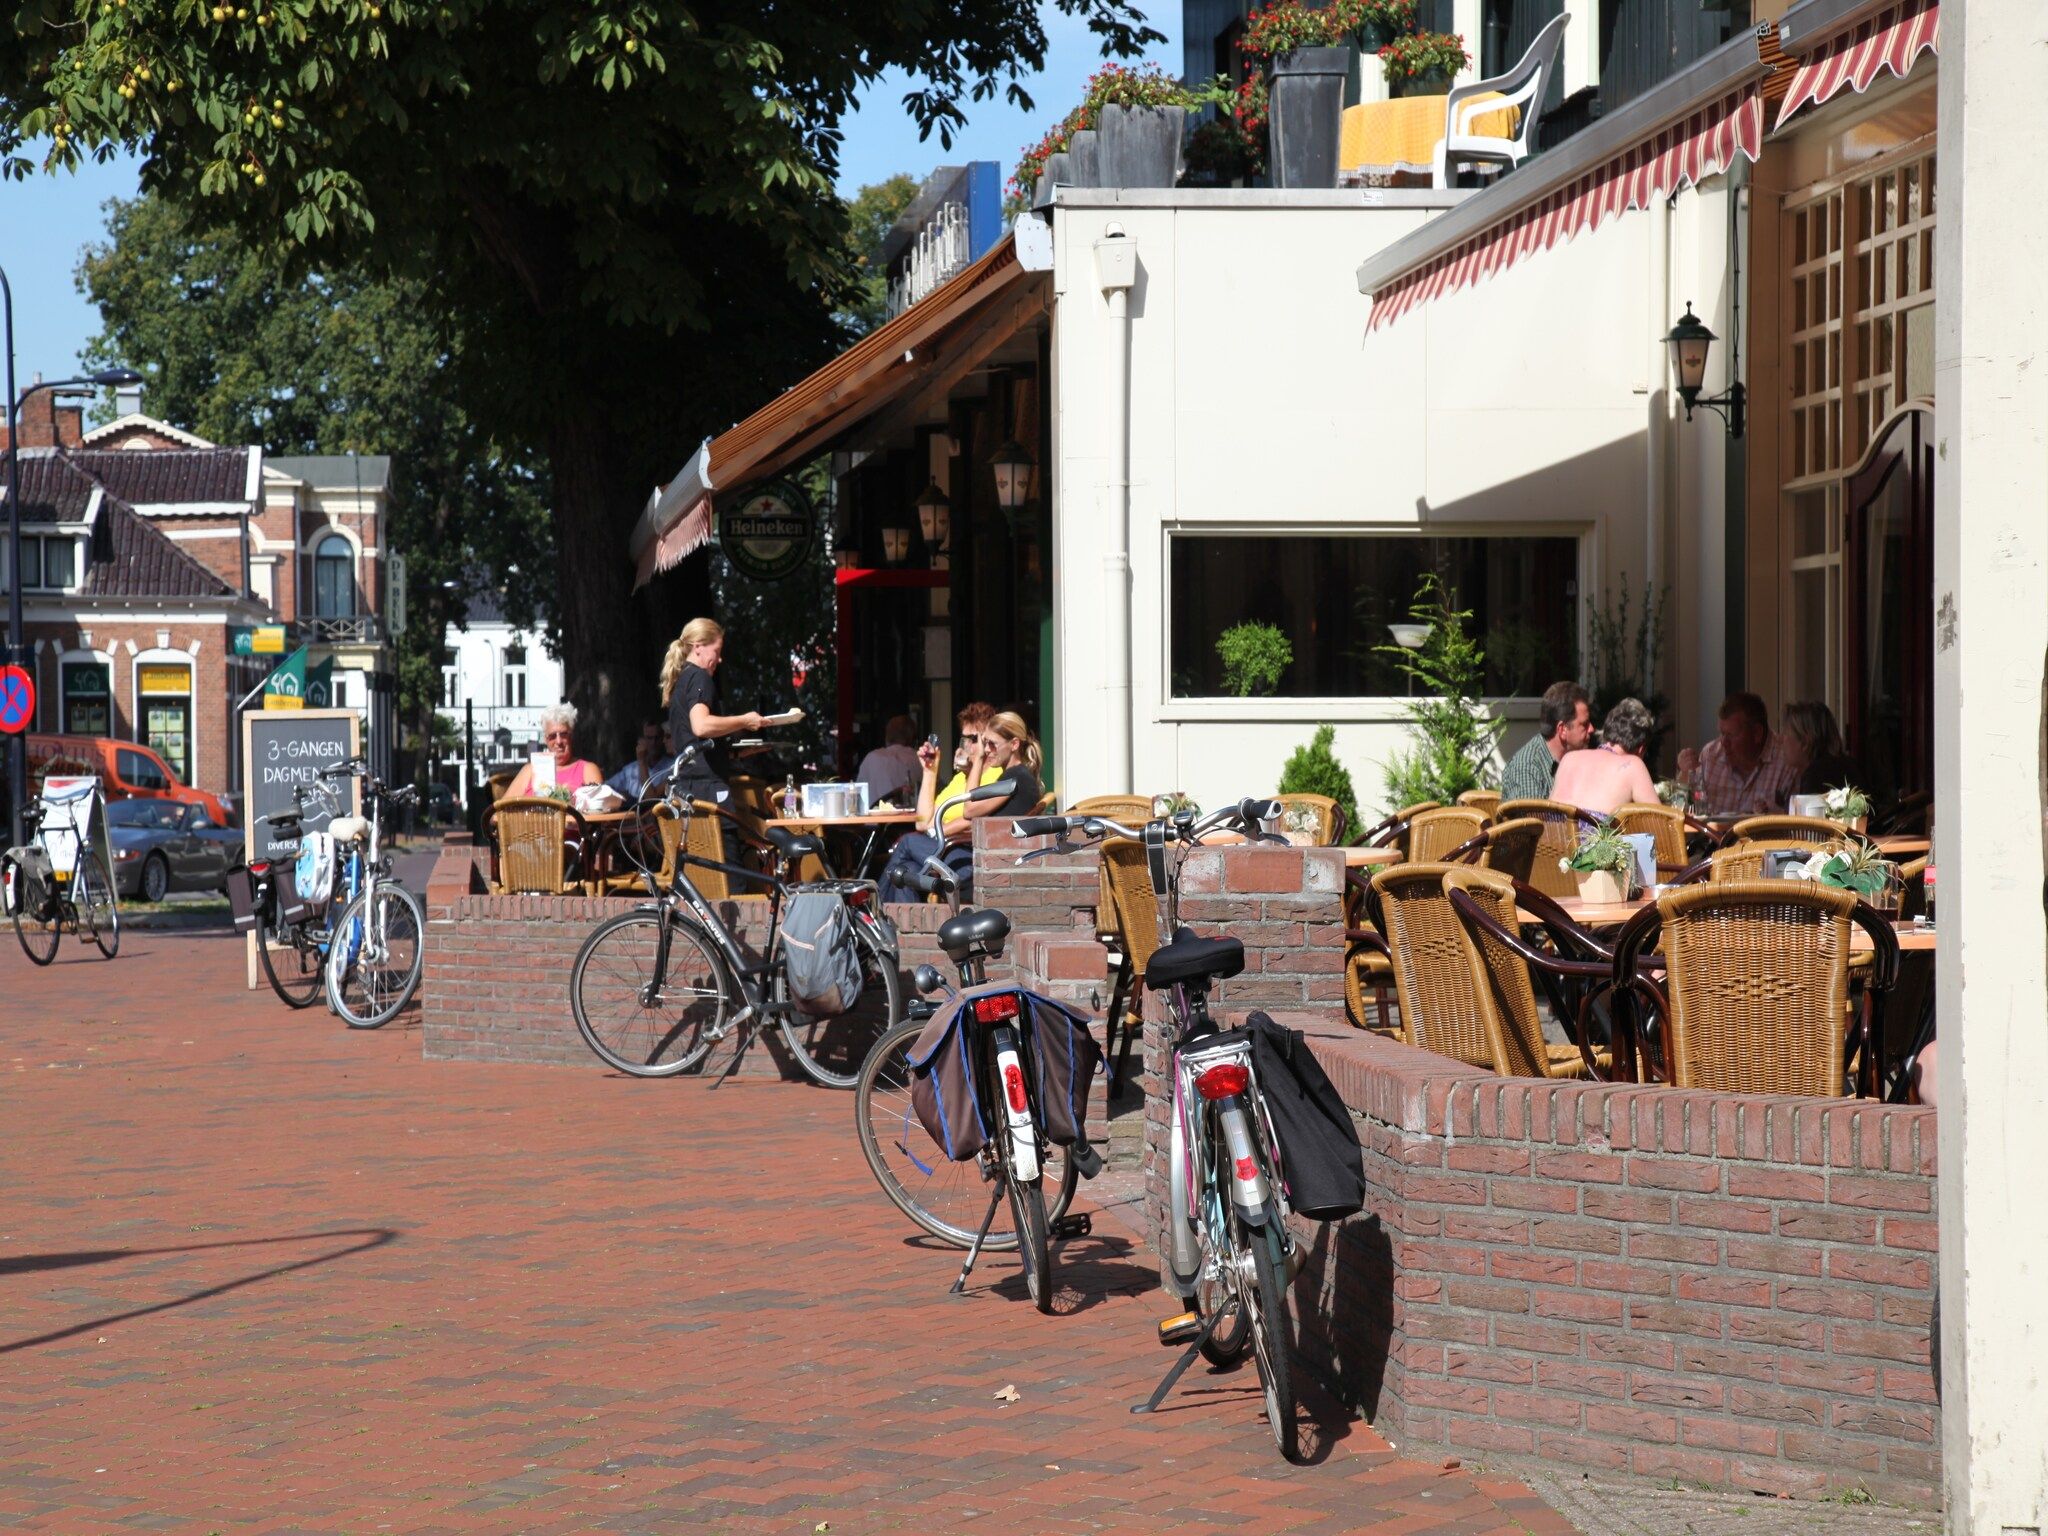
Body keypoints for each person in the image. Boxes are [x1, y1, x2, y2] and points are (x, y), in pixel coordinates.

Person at [878, 701, 1009, 904]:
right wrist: (930, 770)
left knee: (905, 843)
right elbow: (922, 822)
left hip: (962, 851)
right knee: (906, 872)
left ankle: (876, 908)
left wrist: (936, 830)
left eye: (973, 739)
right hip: (941, 846)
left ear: (987, 741)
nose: (966, 745)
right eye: (964, 738)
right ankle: (901, 933)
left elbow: (974, 819)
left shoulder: (996, 776)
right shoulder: (961, 778)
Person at [660, 618, 762, 863]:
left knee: (701, 875)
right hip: (708, 791)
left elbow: (692, 742)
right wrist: (744, 721)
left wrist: (733, 753)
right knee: (728, 876)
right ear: (698, 646)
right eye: (716, 651)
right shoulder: (700, 678)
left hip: (687, 790)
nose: (719, 659)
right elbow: (701, 725)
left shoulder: (681, 679)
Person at [1684, 691, 1798, 816]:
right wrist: (1686, 777)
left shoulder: (1787, 759)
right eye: (1722, 734)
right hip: (1713, 835)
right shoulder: (1710, 755)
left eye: (1732, 735)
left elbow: (1794, 821)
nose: (1724, 743)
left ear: (1757, 733)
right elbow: (1692, 811)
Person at [1551, 697, 1659, 817]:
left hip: (1552, 834)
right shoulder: (1632, 766)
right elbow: (1660, 822)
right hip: (1590, 835)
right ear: (1641, 749)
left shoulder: (1568, 758)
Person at [1499, 681, 1593, 803]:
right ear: (1562, 729)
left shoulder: (1577, 761)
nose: (1591, 729)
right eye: (1584, 725)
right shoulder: (1528, 768)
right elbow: (1529, 821)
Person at [505, 702, 604, 799]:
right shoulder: (530, 770)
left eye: (564, 734)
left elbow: (598, 809)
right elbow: (500, 811)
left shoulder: (587, 770)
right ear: (545, 740)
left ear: (571, 736)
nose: (558, 741)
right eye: (552, 736)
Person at [1781, 700, 1856, 800]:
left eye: (1786, 733)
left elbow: (1810, 815)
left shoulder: (1817, 778)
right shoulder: (1847, 766)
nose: (1780, 739)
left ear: (1804, 743)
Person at [855, 714, 923, 808]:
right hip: (913, 820)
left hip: (875, 821)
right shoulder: (920, 759)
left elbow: (856, 798)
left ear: (887, 735)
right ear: (912, 738)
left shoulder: (872, 758)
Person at [605, 715, 676, 802]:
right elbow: (607, 787)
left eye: (657, 738)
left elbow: (650, 798)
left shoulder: (672, 767)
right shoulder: (631, 769)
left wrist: (642, 761)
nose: (653, 743)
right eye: (649, 738)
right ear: (641, 740)